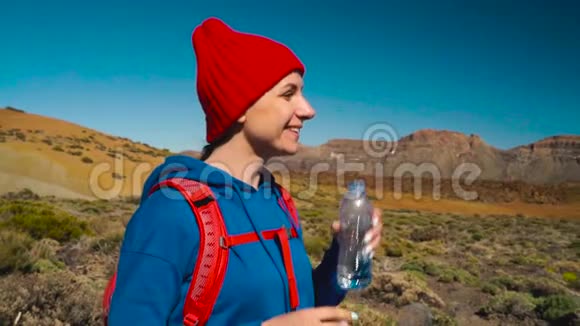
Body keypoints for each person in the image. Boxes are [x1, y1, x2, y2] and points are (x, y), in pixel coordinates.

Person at [107, 17, 383, 325]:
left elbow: (301, 307)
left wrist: (341, 255)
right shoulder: (171, 213)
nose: (308, 110)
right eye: (288, 93)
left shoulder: (278, 202)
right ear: (240, 106)